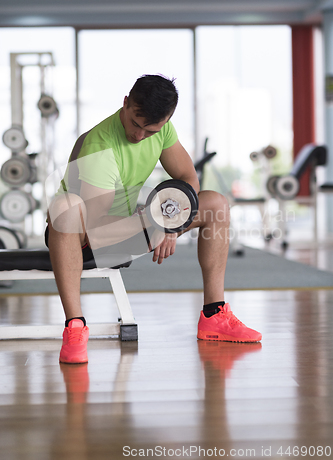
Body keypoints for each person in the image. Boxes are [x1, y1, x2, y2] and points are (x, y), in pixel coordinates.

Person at [46, 74, 261, 364]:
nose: (139, 135)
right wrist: (156, 221)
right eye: (135, 123)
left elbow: (187, 179)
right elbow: (98, 231)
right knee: (66, 206)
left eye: (150, 130)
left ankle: (214, 315)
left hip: (130, 225)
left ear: (166, 120)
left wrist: (174, 222)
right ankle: (75, 326)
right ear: (126, 104)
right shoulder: (100, 145)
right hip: (81, 238)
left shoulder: (163, 130)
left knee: (216, 204)